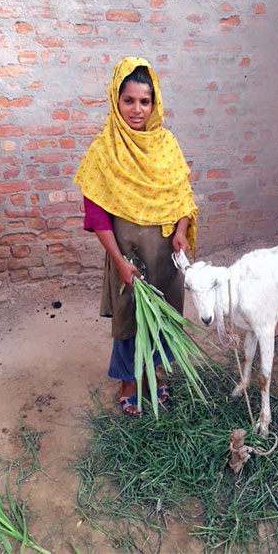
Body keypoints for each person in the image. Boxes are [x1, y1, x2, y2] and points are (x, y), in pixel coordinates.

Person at [74, 57, 198, 416]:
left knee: (162, 315)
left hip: (165, 252)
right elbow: (97, 217)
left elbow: (183, 196)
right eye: (129, 101)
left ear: (154, 103)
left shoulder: (166, 145)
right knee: (129, 315)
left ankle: (155, 374)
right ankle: (129, 379)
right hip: (127, 253)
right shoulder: (104, 151)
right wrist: (119, 262)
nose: (137, 109)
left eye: (145, 101)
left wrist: (180, 232)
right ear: (116, 100)